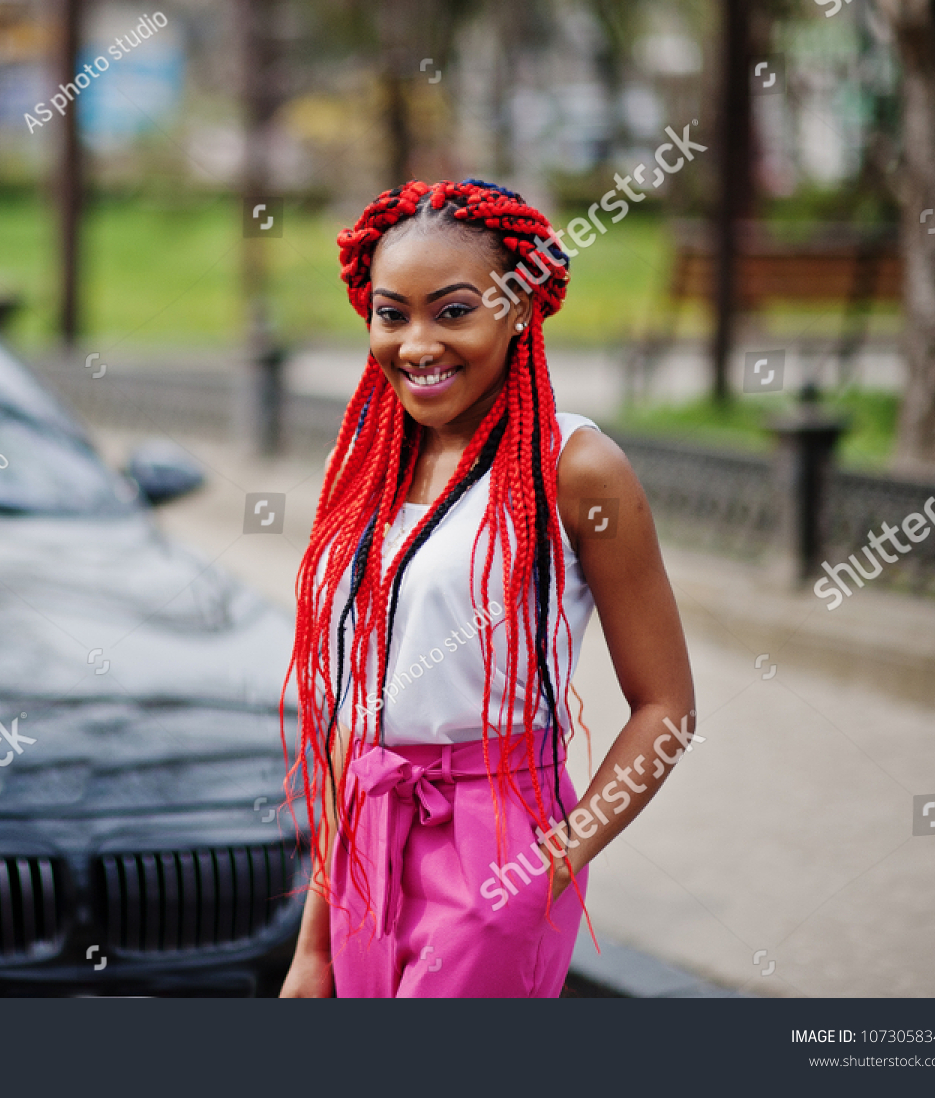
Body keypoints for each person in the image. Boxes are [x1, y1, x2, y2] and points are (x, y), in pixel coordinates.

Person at [278, 180, 695, 998]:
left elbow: (667, 710)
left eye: (454, 310)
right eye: (392, 314)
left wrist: (552, 864)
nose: (417, 342)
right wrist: (314, 948)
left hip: (498, 845)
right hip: (366, 839)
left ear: (520, 308)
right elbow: (351, 716)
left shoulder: (577, 467)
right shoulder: (366, 467)